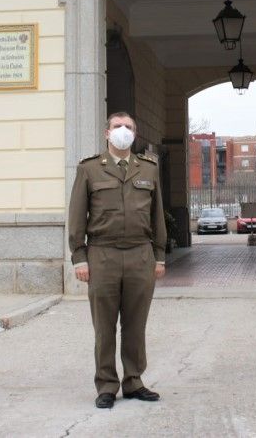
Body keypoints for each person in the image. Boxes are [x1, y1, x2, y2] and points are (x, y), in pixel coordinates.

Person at [68, 111, 167, 409]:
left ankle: (134, 381)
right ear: (106, 132)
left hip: (140, 254)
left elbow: (157, 215)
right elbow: (76, 217)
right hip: (102, 255)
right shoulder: (89, 169)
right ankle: (107, 385)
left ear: (135, 134)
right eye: (117, 126)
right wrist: (79, 257)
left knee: (136, 325)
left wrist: (159, 256)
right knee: (105, 326)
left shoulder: (148, 169)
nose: (123, 130)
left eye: (128, 127)